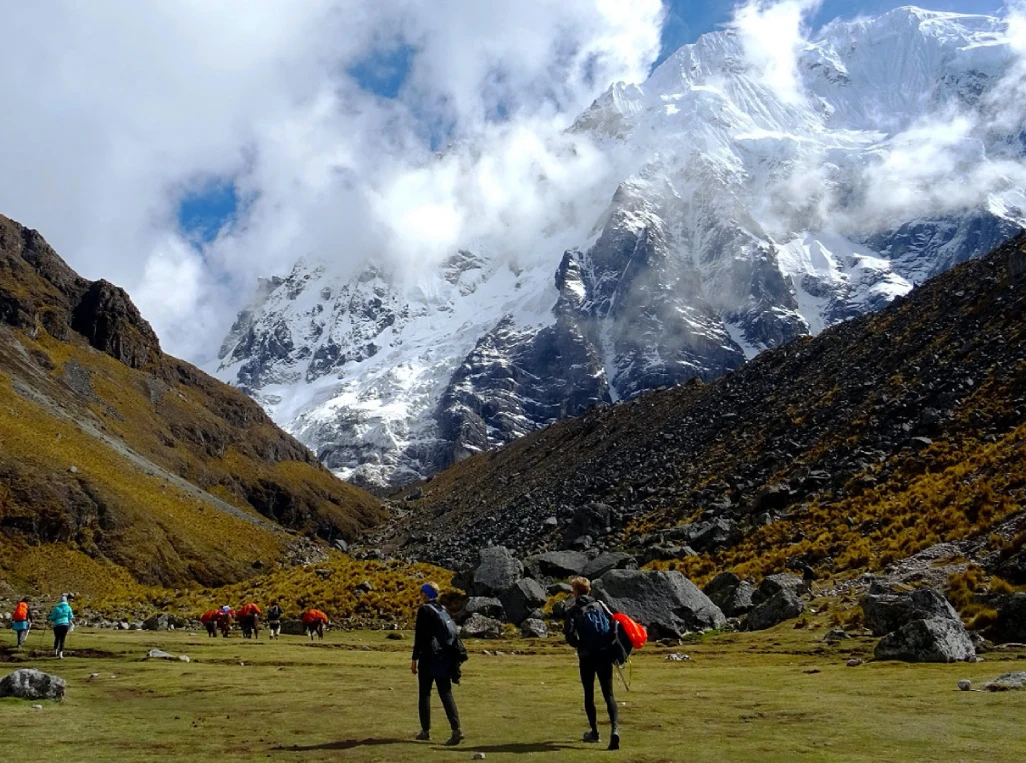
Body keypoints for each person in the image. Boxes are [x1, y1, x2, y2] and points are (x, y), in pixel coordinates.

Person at [563, 576, 620, 751]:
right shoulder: (600, 606)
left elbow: (569, 634)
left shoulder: (573, 610)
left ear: (576, 592)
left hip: (586, 656)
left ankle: (594, 732)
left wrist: (580, 645)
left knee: (589, 693)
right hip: (604, 654)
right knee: (608, 693)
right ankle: (615, 729)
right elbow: (614, 624)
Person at [411, 582, 463, 746]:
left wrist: (414, 659)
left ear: (425, 594)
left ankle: (425, 731)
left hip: (428, 657)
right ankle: (456, 729)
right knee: (446, 693)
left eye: (421, 592)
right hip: (444, 657)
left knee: (425, 694)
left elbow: (419, 637)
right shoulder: (442, 610)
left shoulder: (425, 610)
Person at [47, 594, 74, 659]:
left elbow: (53, 617)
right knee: (62, 639)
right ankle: (60, 654)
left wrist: (49, 617)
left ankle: (55, 651)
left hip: (57, 625)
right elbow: (71, 616)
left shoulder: (57, 608)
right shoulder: (68, 607)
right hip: (65, 625)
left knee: (57, 638)